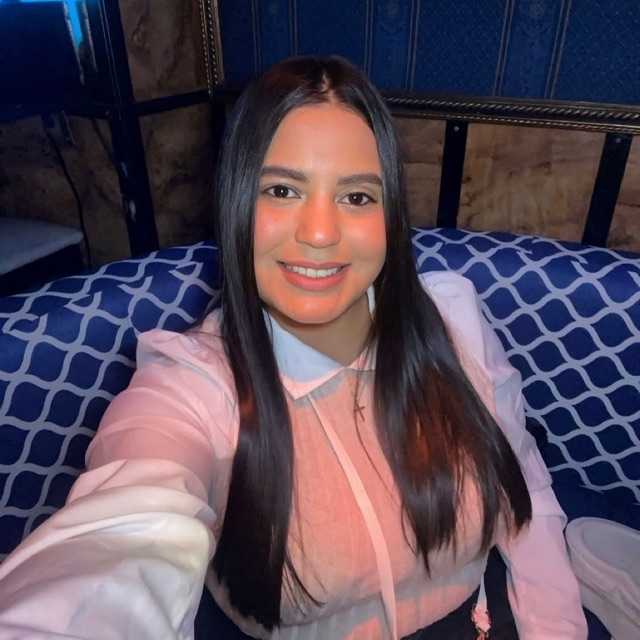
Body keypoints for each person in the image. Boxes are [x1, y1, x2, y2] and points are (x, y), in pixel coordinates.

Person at [0, 56, 587, 640]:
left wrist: (555, 628)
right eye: (282, 190)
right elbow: (121, 539)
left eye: (357, 197)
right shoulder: (195, 385)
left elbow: (523, 480)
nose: (320, 233)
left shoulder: (451, 316)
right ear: (237, 202)